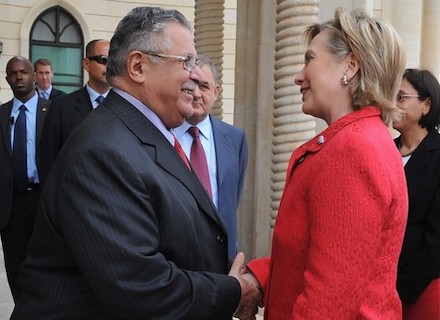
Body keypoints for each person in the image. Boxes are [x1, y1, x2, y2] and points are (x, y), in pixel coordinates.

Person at [11, 6, 261, 320]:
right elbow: (142, 288)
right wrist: (233, 290)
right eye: (186, 61)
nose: (195, 74)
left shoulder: (144, 134)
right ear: (139, 66)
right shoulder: (102, 151)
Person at [246, 7, 408, 319]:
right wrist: (261, 277)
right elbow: (330, 254)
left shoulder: (353, 148)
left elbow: (329, 300)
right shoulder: (356, 140)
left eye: (309, 59)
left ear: (350, 65)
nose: (298, 76)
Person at [174, 54, 248, 259]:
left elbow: (232, 198)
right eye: (190, 85)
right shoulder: (163, 134)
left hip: (222, 258)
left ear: (216, 92)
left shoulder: (235, 138)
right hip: (177, 257)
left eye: (204, 86)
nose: (196, 93)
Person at [0, 56, 51, 302]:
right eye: (12, 73)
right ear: (7, 78)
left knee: (46, 268)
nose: (18, 77)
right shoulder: (0, 114)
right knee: (15, 269)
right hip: (11, 207)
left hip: (43, 201)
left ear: (33, 75)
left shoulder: (51, 111)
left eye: (23, 72)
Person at [393, 68, 440, 320]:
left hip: (421, 292)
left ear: (426, 105)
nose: (392, 104)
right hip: (378, 287)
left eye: (401, 97)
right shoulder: (384, 150)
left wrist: (398, 285)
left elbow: (436, 241)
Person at [38, 39, 111, 184]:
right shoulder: (61, 107)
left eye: (114, 61)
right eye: (103, 60)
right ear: (86, 63)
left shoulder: (127, 106)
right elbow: (48, 161)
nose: (109, 66)